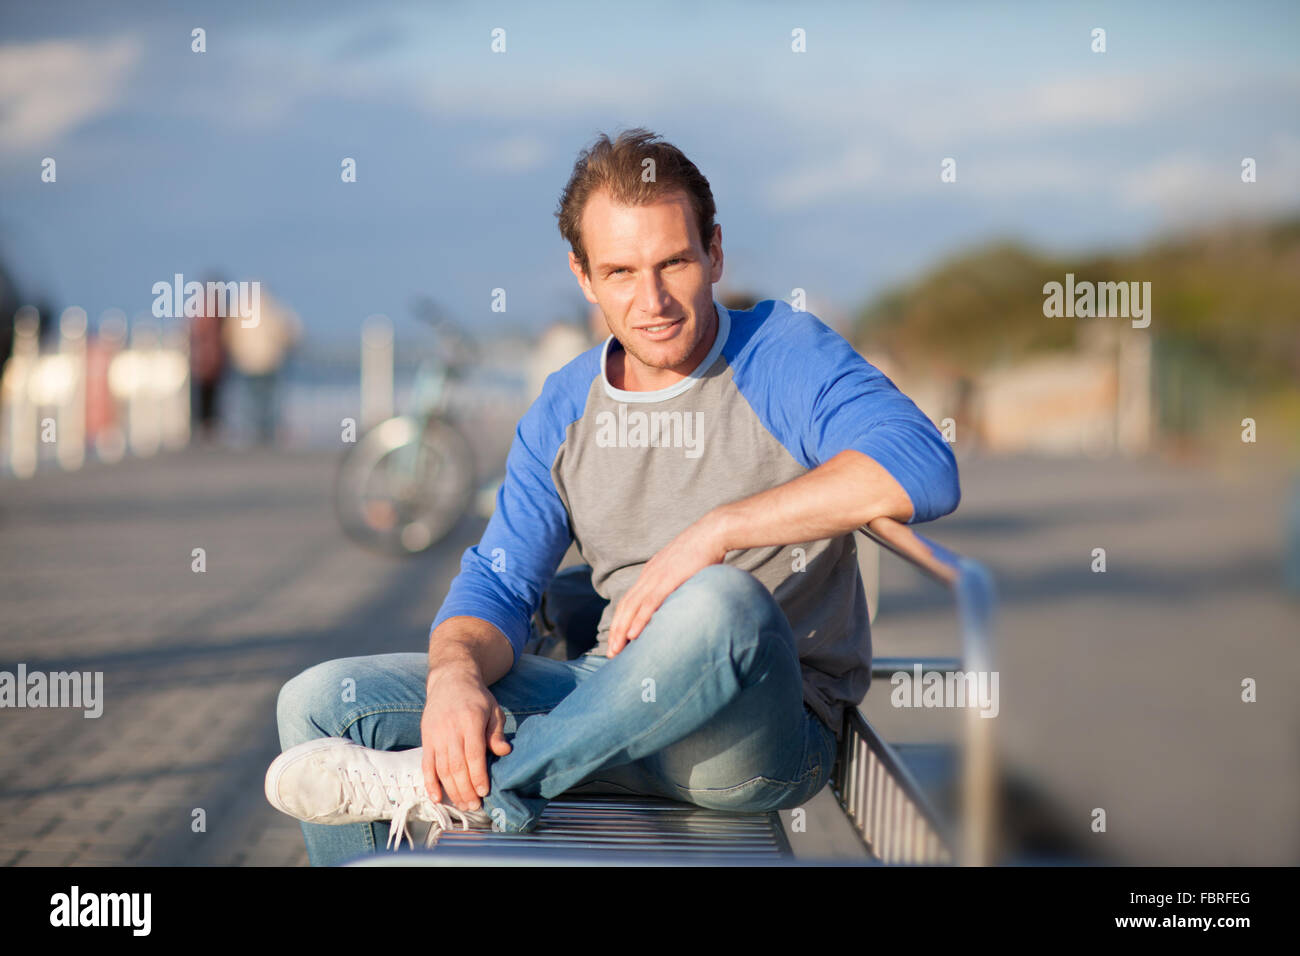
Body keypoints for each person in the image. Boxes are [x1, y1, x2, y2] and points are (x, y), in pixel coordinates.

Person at [265, 128, 960, 864]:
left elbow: (923, 467)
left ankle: (475, 790)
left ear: (715, 252)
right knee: (315, 704)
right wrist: (454, 678)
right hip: (610, 706)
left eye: (674, 263)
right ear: (583, 276)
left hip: (755, 734)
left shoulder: (782, 354)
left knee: (720, 601)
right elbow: (498, 585)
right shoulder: (565, 406)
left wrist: (717, 531)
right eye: (621, 271)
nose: (652, 299)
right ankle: (484, 779)